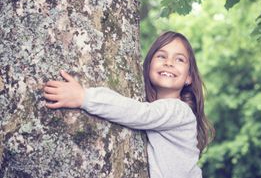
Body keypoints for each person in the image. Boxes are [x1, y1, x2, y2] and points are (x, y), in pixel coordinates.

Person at [43, 31, 214, 178]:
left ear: (189, 77)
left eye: (179, 60)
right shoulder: (159, 110)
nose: (169, 62)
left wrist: (84, 97)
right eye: (161, 56)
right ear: (148, 67)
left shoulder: (179, 111)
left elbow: (139, 113)